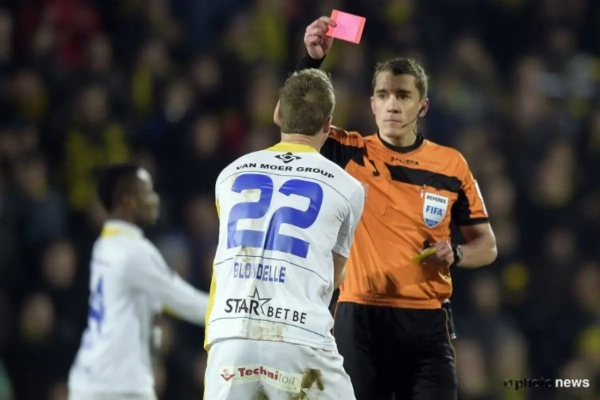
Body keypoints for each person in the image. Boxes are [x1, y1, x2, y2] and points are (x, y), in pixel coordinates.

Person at [273, 16, 498, 400]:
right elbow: (286, 118)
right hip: (359, 317)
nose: (392, 104)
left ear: (423, 106)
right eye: (384, 94)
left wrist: (457, 254)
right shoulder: (348, 151)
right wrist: (312, 61)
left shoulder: (451, 165)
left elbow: (487, 246)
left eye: (403, 95)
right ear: (372, 103)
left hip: (426, 320)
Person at [203, 68, 365, 400]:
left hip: (230, 336)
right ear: (328, 124)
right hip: (299, 340)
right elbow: (333, 277)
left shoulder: (228, 175)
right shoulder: (347, 188)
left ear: (278, 113)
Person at [68, 163, 210, 400]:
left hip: (93, 375)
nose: (154, 200)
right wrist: (244, 313)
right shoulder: (133, 252)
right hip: (116, 384)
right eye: (146, 193)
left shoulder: (106, 243)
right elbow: (188, 303)